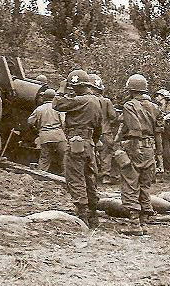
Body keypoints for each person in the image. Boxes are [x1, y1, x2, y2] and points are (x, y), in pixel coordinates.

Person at [114, 74, 163, 236]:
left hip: (134, 147)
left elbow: (132, 129)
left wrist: (122, 146)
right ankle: (144, 219)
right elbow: (158, 133)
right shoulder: (155, 107)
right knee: (144, 183)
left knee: (130, 182)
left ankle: (134, 223)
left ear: (131, 90)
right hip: (150, 149)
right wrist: (158, 154)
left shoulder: (129, 106)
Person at [53, 69, 102, 228]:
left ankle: (82, 215)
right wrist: (92, 142)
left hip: (76, 142)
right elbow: (98, 127)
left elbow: (57, 104)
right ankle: (93, 214)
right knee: (89, 178)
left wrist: (61, 89)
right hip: (89, 142)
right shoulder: (96, 101)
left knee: (75, 177)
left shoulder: (81, 100)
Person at [28, 88, 67, 173]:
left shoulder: (39, 109)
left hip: (44, 136)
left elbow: (30, 122)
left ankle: (40, 176)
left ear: (44, 97)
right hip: (58, 135)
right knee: (64, 158)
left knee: (44, 159)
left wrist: (36, 129)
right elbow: (63, 122)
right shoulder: (58, 108)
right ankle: (66, 177)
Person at [88, 74, 118, 184]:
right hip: (105, 132)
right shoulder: (106, 101)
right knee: (106, 155)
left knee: (91, 153)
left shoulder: (86, 100)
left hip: (90, 131)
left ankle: (92, 177)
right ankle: (105, 176)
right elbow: (113, 116)